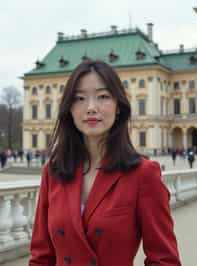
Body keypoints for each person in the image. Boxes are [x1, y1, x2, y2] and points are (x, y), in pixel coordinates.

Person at [29, 60, 181, 266]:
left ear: (118, 106)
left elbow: (165, 260)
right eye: (80, 98)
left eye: (103, 97)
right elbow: (41, 258)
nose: (91, 108)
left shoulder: (143, 174)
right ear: (69, 109)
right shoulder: (53, 172)